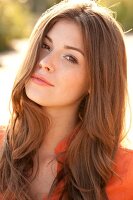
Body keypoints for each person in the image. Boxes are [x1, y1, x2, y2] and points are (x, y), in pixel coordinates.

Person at [0, 0, 133, 199]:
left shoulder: (125, 174)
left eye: (70, 57)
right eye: (45, 46)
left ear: (96, 80)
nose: (45, 62)